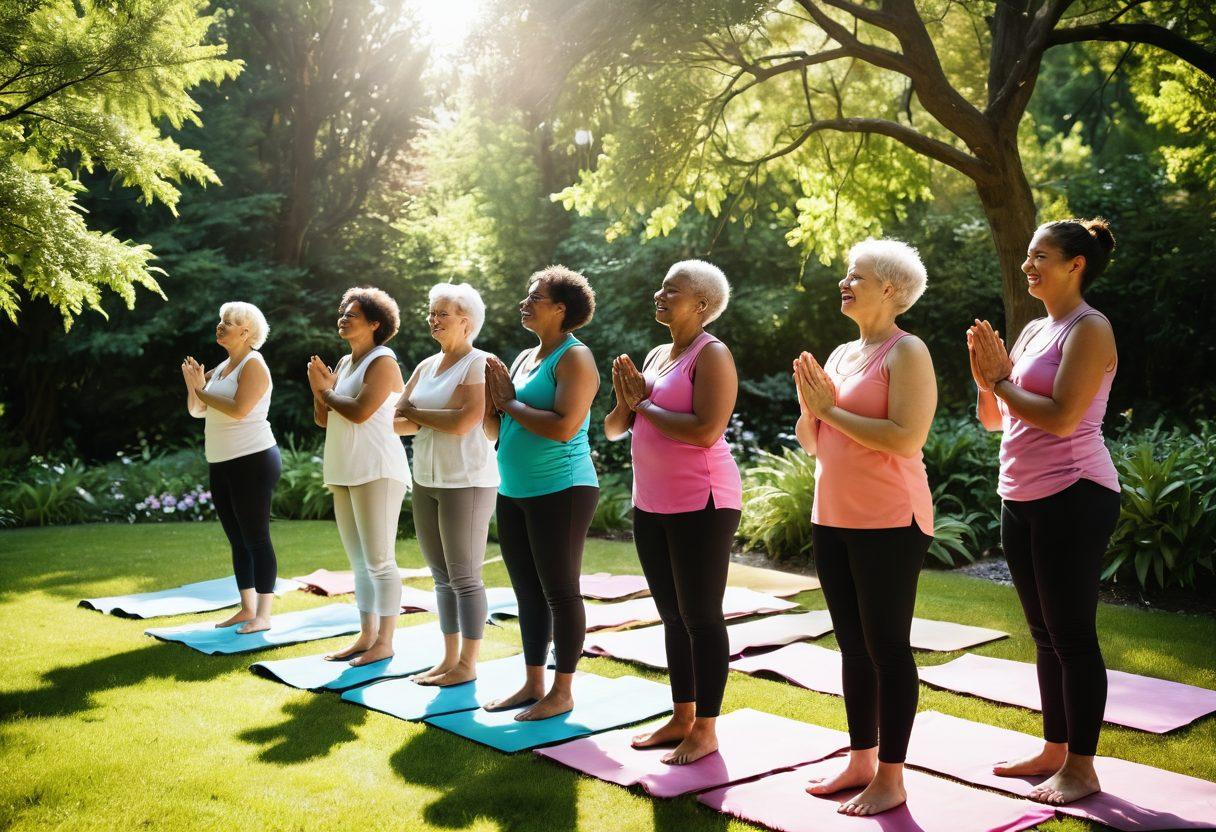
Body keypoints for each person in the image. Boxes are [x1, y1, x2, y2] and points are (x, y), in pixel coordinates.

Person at [968, 218, 1120, 806]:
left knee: (1073, 635)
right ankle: (1055, 750)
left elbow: (1059, 417)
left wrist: (1001, 382)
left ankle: (1082, 767)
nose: (1029, 265)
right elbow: (994, 419)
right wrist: (987, 382)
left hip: (1075, 491)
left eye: (1041, 256)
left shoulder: (1090, 329)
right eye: (1028, 255)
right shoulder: (1033, 330)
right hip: (1021, 496)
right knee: (1044, 634)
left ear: (1075, 265)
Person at [792, 238, 937, 816]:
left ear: (891, 289)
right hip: (832, 515)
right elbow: (814, 443)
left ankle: (893, 776)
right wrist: (810, 408)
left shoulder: (908, 352)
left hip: (889, 518)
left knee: (886, 647)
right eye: (845, 275)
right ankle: (860, 759)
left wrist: (827, 411)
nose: (844, 283)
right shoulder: (840, 353)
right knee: (852, 645)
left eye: (857, 276)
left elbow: (906, 438)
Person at [605, 259, 743, 765]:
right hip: (652, 502)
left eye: (673, 290)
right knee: (671, 615)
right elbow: (614, 428)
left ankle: (706, 727)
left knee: (701, 615)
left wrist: (642, 406)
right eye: (661, 288)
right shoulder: (658, 354)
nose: (659, 295)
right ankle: (681, 716)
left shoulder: (713, 355)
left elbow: (706, 430)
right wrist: (628, 401)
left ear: (701, 304)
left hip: (702, 501)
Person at [482, 265, 600, 721]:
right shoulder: (524, 358)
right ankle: (532, 683)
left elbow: (565, 426)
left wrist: (509, 401)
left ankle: (562, 690)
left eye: (535, 297)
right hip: (513, 490)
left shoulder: (575, 357)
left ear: (561, 309)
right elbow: (500, 426)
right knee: (526, 592)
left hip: (562, 489)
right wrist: (492, 403)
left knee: (560, 592)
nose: (524, 303)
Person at [394, 283, 498, 687]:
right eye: (432, 312)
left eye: (443, 313)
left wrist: (418, 412)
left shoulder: (480, 362)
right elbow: (398, 421)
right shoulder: (424, 366)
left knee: (465, 575)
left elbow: (463, 422)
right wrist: (425, 412)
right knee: (440, 575)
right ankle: (449, 659)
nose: (433, 319)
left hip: (467, 481)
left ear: (466, 321)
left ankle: (469, 665)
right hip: (427, 479)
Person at [308, 287, 410, 667]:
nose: (343, 318)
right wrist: (318, 391)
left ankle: (386, 640)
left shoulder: (384, 361)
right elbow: (325, 417)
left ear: (375, 323)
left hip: (377, 469)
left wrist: (327, 390)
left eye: (352, 315)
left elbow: (361, 411)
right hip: (345, 467)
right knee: (358, 560)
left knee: (380, 560)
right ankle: (366, 636)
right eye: (343, 312)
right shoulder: (346, 363)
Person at [182, 302, 281, 634]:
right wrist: (194, 384)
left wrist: (200, 390)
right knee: (237, 540)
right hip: (221, 461)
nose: (220, 326)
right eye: (220, 321)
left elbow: (239, 409)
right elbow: (197, 410)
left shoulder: (254, 365)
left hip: (252, 460)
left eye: (229, 322)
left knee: (256, 538)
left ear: (246, 331)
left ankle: (264, 615)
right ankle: (246, 609)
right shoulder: (224, 367)